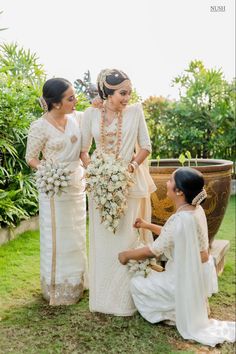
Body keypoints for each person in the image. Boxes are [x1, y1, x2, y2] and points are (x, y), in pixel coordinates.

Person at [118, 167, 235, 346]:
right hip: (197, 275)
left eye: (170, 181)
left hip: (182, 278)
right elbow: (171, 234)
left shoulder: (180, 219)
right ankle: (183, 306)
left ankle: (173, 313)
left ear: (179, 191)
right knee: (152, 277)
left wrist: (127, 255)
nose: (167, 183)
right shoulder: (196, 211)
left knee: (138, 284)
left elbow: (154, 250)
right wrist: (147, 225)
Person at [80, 69, 156, 316]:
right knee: (103, 242)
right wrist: (96, 173)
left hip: (129, 184)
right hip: (100, 189)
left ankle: (126, 301)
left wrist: (131, 167)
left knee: (126, 238)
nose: (127, 98)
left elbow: (146, 146)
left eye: (129, 93)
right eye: (122, 93)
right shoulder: (90, 114)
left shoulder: (135, 112)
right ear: (107, 93)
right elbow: (83, 150)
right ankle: (102, 299)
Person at [25, 78, 88, 305]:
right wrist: (49, 172)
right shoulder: (39, 126)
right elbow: (31, 158)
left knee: (76, 234)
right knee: (57, 236)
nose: (76, 100)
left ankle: (78, 281)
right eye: (70, 98)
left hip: (76, 186)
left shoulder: (78, 118)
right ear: (56, 104)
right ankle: (57, 286)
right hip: (53, 188)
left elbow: (84, 149)